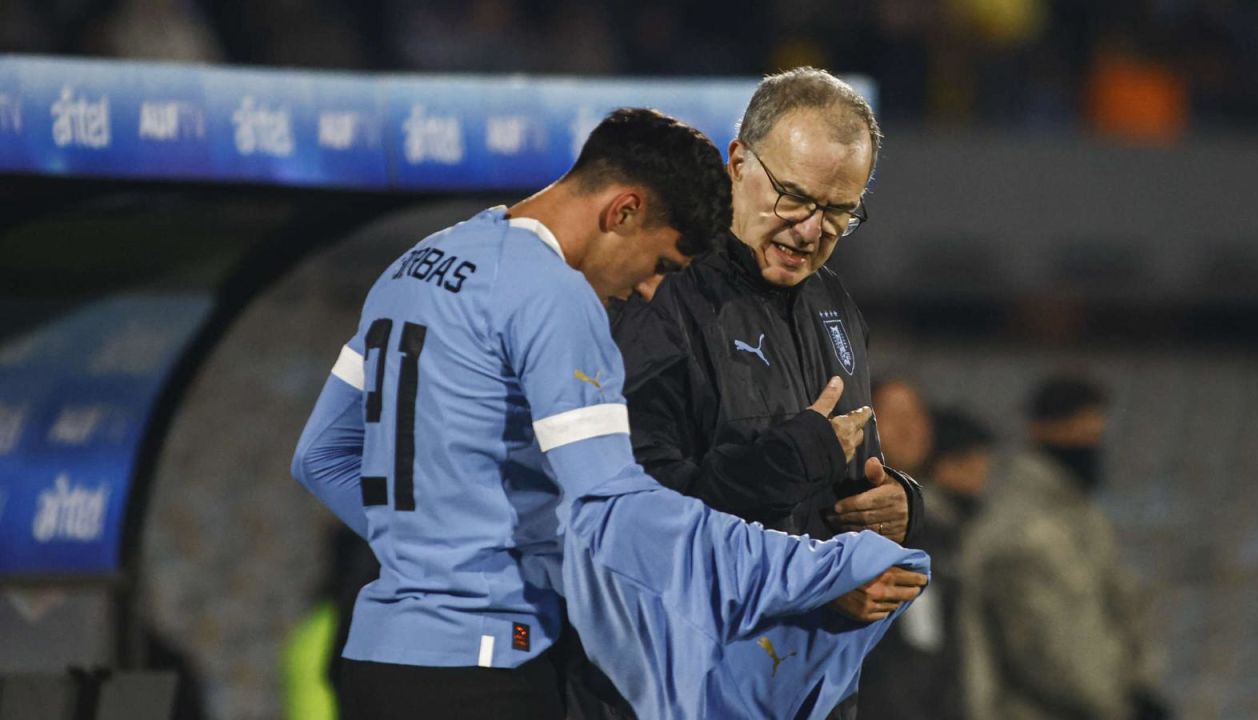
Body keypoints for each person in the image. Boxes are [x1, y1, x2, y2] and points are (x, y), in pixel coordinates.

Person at [291, 107, 928, 720]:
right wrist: (821, 572)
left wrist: (435, 547)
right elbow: (619, 511)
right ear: (623, 210)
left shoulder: (419, 265)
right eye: (659, 265)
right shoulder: (554, 295)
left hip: (377, 657)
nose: (650, 289)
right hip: (487, 664)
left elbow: (321, 457)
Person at [601, 67, 927, 718]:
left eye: (839, 211)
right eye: (793, 198)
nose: (811, 231)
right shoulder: (655, 292)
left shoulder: (834, 304)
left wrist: (894, 503)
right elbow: (635, 521)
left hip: (810, 691)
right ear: (738, 163)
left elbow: (847, 473)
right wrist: (815, 583)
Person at [958, 375, 1170, 720]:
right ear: (1041, 431)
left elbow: (1120, 609)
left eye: (1096, 433)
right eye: (1081, 432)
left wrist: (1139, 688)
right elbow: (1046, 650)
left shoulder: (1083, 517)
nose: (1092, 443)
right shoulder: (1021, 527)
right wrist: (1120, 706)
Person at [858, 405, 996, 720]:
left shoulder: (946, 532)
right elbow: (911, 656)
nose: (912, 431)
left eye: (916, 417)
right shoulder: (893, 532)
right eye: (896, 417)